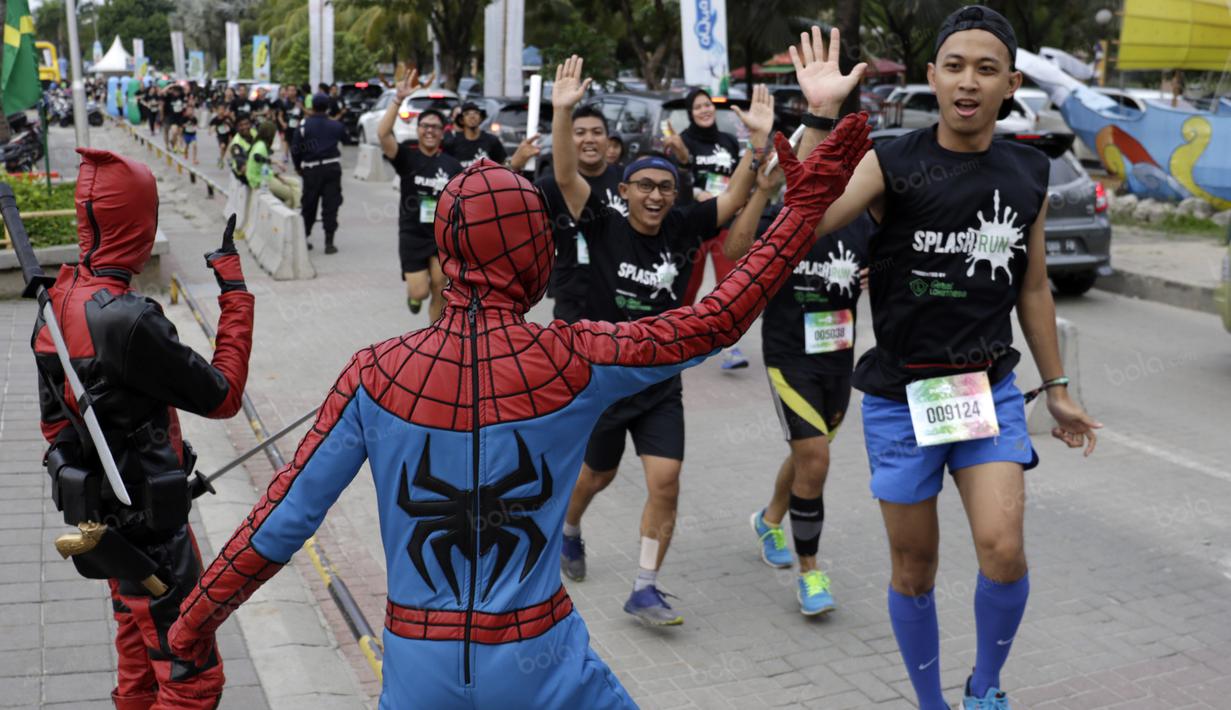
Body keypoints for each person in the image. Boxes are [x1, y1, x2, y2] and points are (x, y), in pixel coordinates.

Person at [167, 100, 872, 710]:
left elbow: (283, 520)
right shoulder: (576, 356)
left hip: (417, 663)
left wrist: (191, 625)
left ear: (446, 250)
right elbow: (717, 318)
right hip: (542, 659)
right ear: (534, 251)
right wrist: (801, 212)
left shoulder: (372, 372)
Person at [788, 13, 1101, 708]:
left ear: (1011, 84)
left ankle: (983, 686)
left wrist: (1055, 387)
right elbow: (807, 218)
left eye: (985, 69)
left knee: (1003, 549)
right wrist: (815, 115)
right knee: (914, 568)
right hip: (900, 398)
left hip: (984, 394)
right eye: (953, 65)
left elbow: (1032, 285)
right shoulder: (891, 159)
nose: (967, 81)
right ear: (931, 77)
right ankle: (929, 702)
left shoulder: (1028, 170)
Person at [553, 59, 776, 626]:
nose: (655, 196)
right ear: (624, 189)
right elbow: (564, 177)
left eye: (665, 188)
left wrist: (757, 145)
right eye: (645, 186)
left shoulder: (680, 226)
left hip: (659, 382)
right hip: (604, 382)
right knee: (594, 478)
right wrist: (562, 113)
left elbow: (731, 202)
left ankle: (646, 587)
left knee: (666, 480)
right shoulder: (602, 223)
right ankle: (571, 529)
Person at [34, 148, 254, 709]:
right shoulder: (129, 318)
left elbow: (54, 427)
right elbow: (223, 395)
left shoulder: (53, 303)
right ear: (139, 220)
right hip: (155, 538)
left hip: (106, 525)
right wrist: (234, 295)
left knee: (137, 656)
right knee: (189, 677)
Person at [725, 163, 873, 616]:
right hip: (789, 358)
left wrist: (880, 276)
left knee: (807, 456)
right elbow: (734, 251)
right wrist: (761, 194)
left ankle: (769, 521)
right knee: (815, 458)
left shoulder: (861, 222)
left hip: (837, 358)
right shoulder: (784, 219)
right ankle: (811, 574)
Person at [675, 87, 750, 370]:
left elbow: (740, 177)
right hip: (694, 223)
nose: (704, 110)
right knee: (688, 286)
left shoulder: (729, 141)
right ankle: (677, 338)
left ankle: (731, 347)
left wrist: (742, 201)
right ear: (690, 114)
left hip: (725, 224)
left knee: (730, 286)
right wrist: (697, 195)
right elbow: (678, 181)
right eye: (697, 108)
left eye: (707, 105)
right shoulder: (683, 142)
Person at [378, 69, 462, 320]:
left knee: (441, 286)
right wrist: (397, 99)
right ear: (417, 129)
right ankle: (414, 295)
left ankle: (437, 337)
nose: (429, 131)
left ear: (442, 132)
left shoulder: (452, 165)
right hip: (412, 234)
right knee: (421, 290)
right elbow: (383, 135)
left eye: (435, 127)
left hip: (441, 235)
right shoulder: (407, 156)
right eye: (425, 126)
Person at [536, 104, 624, 323]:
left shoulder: (627, 181)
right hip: (571, 295)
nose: (589, 139)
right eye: (580, 133)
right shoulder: (549, 186)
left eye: (597, 132)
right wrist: (513, 166)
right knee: (572, 355)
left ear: (607, 139)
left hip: (621, 290)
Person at [293, 92, 347, 254]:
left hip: (311, 169)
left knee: (309, 204)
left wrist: (298, 167)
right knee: (331, 205)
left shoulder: (303, 126)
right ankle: (329, 242)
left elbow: (295, 150)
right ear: (327, 107)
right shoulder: (335, 125)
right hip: (332, 169)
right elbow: (345, 138)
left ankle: (305, 237)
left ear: (312, 107)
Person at [247, 120, 302, 209]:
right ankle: (290, 212)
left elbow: (263, 166)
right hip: (260, 180)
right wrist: (275, 162)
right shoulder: (261, 145)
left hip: (266, 176)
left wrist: (276, 175)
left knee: (295, 183)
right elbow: (256, 157)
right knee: (290, 194)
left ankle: (297, 207)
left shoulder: (261, 144)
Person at [444, 101, 507, 167]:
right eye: (467, 114)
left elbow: (502, 165)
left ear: (481, 118)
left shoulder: (492, 141)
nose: (472, 116)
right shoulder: (453, 143)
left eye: (476, 113)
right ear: (461, 120)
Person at [225, 114, 255, 186]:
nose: (244, 127)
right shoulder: (236, 144)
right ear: (237, 128)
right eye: (241, 125)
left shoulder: (254, 133)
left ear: (250, 124)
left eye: (246, 124)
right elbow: (242, 168)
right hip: (244, 177)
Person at [278, 84, 305, 161]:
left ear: (296, 91)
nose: (291, 92)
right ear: (287, 91)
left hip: (299, 125)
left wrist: (301, 108)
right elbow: (280, 116)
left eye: (293, 90)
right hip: (288, 125)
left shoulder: (300, 101)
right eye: (290, 90)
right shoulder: (284, 103)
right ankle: (286, 155)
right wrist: (283, 123)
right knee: (287, 140)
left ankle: (301, 154)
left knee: (300, 140)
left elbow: (305, 113)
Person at [182, 96, 200, 165]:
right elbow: (182, 125)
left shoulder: (194, 118)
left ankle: (194, 159)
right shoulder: (184, 118)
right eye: (189, 110)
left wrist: (195, 127)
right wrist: (186, 124)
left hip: (193, 134)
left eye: (191, 110)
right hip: (186, 134)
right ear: (186, 111)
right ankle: (186, 152)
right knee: (187, 146)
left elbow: (196, 125)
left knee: (195, 145)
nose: (190, 112)